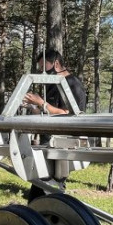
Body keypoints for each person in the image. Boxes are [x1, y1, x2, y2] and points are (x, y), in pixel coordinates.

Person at [22, 49, 86, 201]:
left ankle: (49, 217)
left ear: (56, 63)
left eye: (45, 68)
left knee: (44, 192)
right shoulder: (53, 85)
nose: (43, 73)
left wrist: (42, 103)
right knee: (40, 190)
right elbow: (49, 113)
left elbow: (68, 115)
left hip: (61, 147)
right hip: (48, 145)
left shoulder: (73, 84)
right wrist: (33, 106)